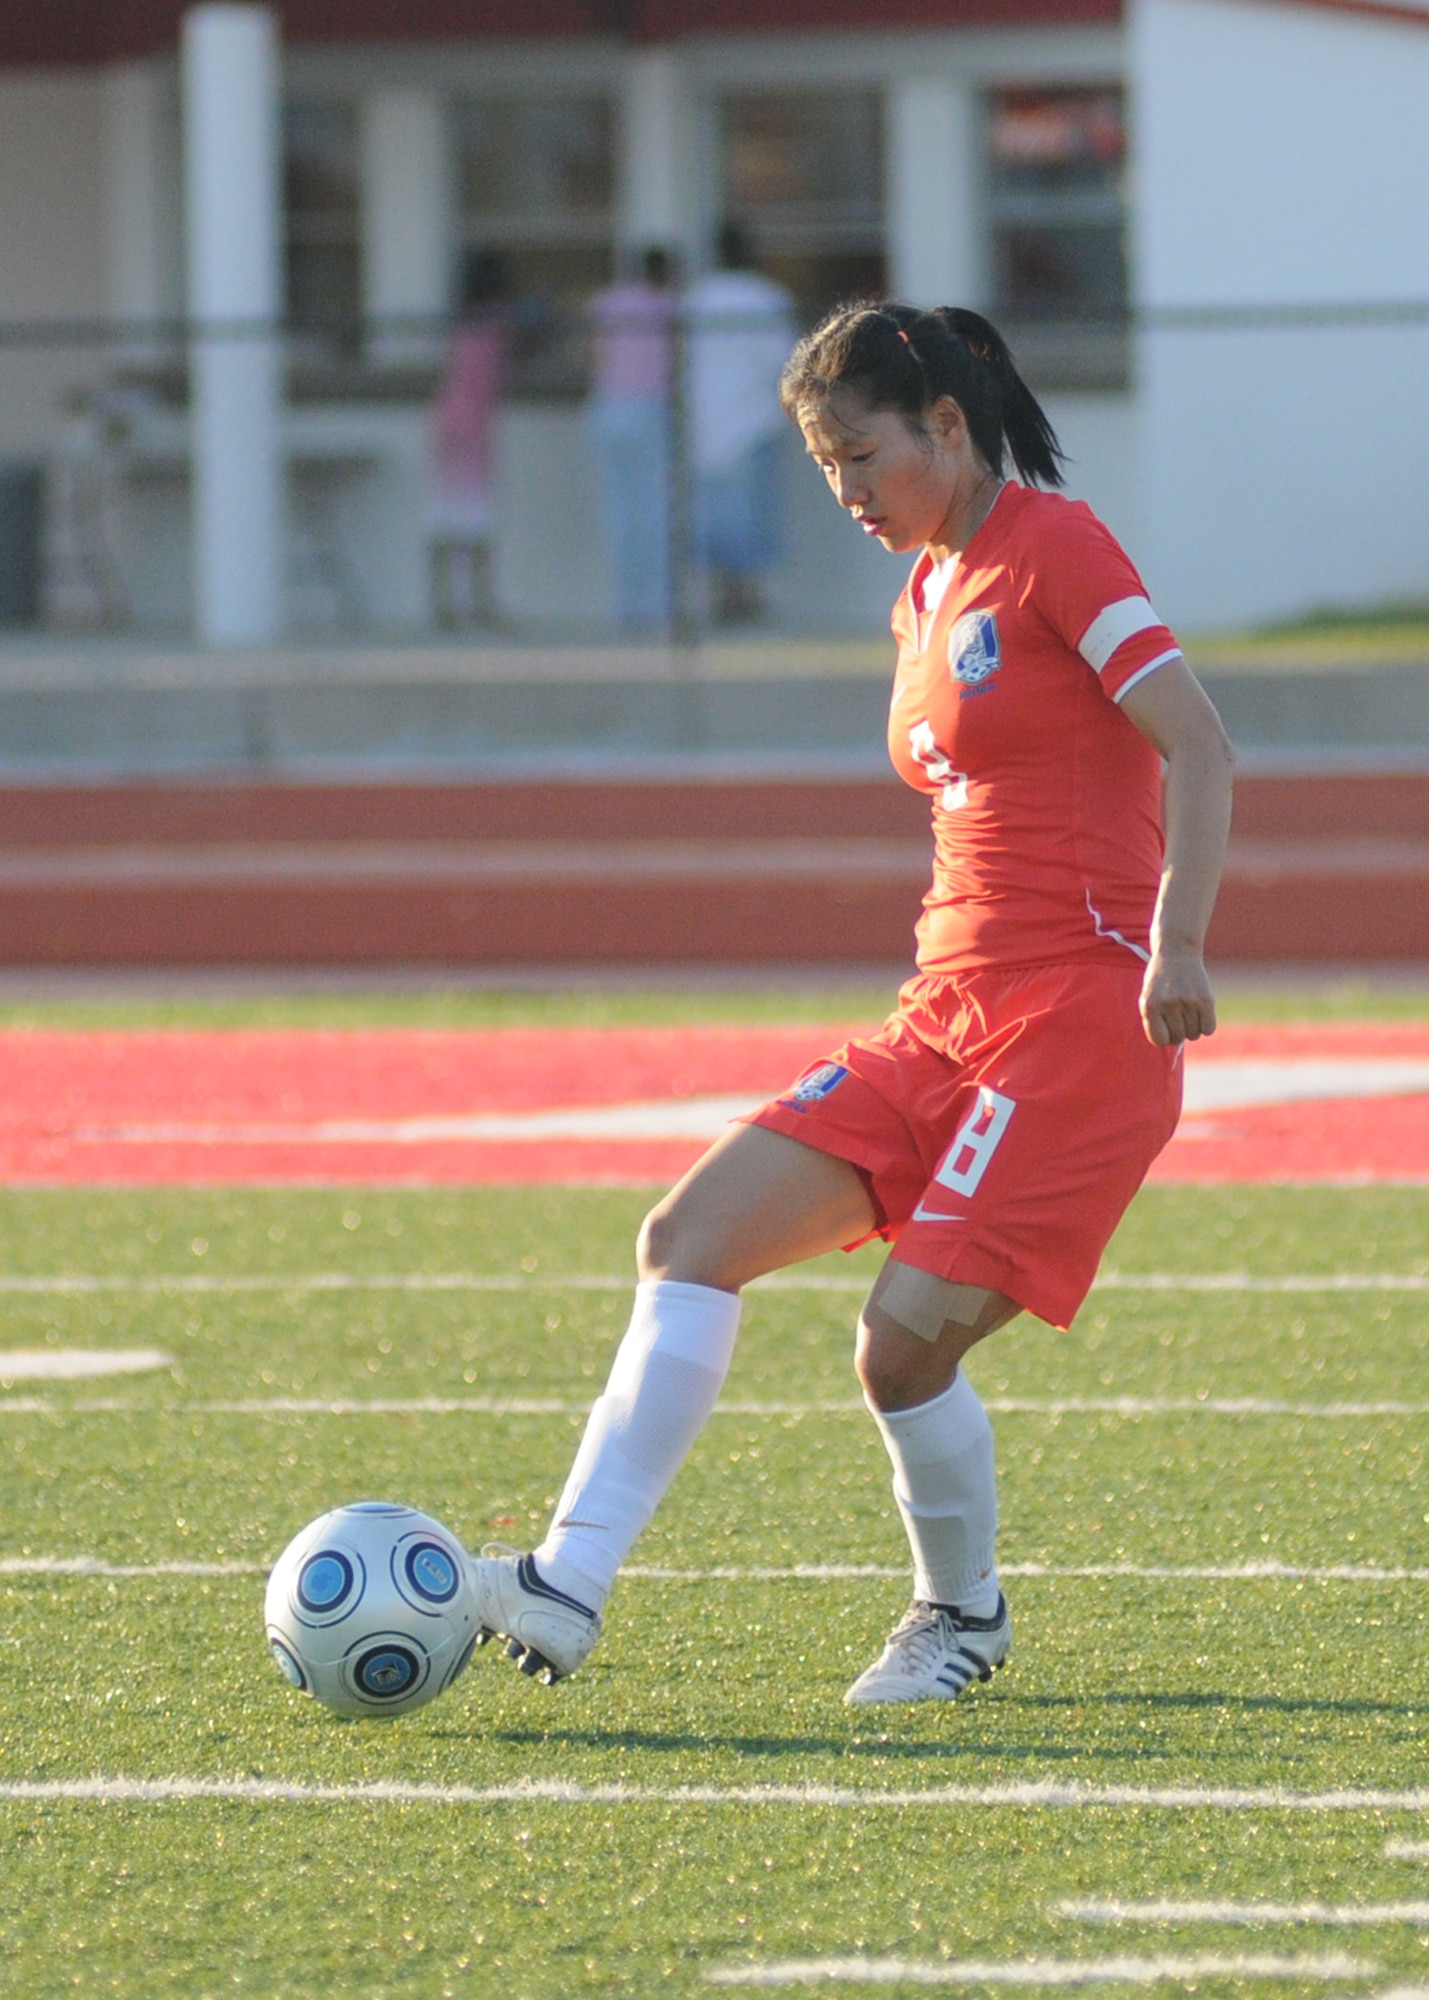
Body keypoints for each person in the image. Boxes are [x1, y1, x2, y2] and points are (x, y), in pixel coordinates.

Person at [469, 301, 1233, 1704]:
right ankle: (567, 1583)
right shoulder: (924, 592)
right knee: (686, 1236)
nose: (846, 494)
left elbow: (1197, 739)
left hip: (1074, 1024)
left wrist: (1176, 944)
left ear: (946, 424)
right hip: (939, 1015)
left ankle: (961, 1617)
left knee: (896, 1348)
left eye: (859, 458)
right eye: (825, 468)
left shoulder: (1053, 546)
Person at [684, 222, 796, 625]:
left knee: (712, 515)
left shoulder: (697, 299)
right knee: (753, 513)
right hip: (755, 420)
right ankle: (748, 596)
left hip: (704, 420)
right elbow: (783, 364)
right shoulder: (767, 298)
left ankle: (720, 595)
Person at [586, 246, 680, 632]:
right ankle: (657, 606)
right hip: (650, 408)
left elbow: (593, 357)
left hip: (608, 406)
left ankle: (626, 605)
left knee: (619, 511)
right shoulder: (670, 307)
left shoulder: (606, 304)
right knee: (655, 511)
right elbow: (677, 361)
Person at [429, 248, 508, 628]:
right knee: (476, 519)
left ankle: (448, 603)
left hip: (448, 420)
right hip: (473, 427)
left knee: (448, 514)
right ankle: (480, 603)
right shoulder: (492, 329)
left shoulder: (460, 326)